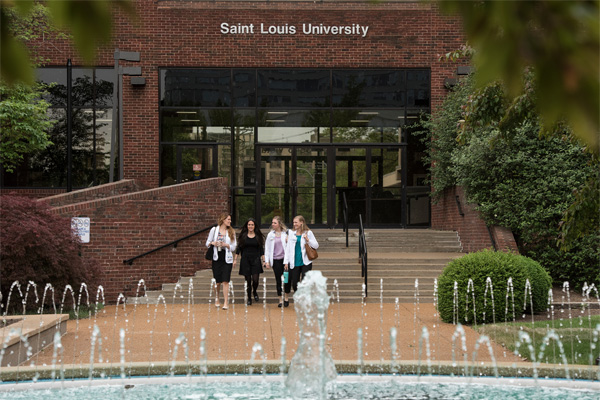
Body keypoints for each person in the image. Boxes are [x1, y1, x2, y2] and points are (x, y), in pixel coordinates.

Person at [283, 215, 319, 307]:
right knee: (294, 283)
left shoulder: (308, 233)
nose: (294, 224)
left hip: (306, 262)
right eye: (294, 222)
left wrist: (308, 240)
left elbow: (316, 246)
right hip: (294, 262)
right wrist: (286, 262)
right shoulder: (291, 233)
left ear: (301, 222)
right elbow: (288, 249)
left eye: (296, 222)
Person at [205, 213, 237, 310]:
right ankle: (217, 297)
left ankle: (226, 302)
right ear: (223, 220)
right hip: (216, 257)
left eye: (230, 220)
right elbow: (207, 243)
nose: (230, 221)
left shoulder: (231, 231)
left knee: (226, 281)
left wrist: (226, 245)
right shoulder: (214, 230)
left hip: (227, 258)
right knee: (217, 281)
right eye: (228, 219)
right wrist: (213, 243)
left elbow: (234, 246)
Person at [234, 218, 265, 306]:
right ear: (247, 226)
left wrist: (264, 260)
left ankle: (254, 291)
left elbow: (261, 249)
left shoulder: (258, 236)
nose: (250, 226)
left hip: (255, 260)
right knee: (248, 280)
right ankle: (249, 297)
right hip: (245, 260)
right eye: (249, 225)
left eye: (252, 225)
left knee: (255, 280)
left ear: (254, 226)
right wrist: (235, 259)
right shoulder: (243, 235)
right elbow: (238, 248)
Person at [264, 216, 288, 308]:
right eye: (272, 223)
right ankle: (280, 300)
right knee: (278, 279)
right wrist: (267, 261)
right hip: (275, 260)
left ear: (279, 224)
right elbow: (267, 248)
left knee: (286, 279)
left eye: (274, 223)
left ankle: (286, 297)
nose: (272, 224)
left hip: (285, 260)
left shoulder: (286, 233)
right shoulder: (270, 234)